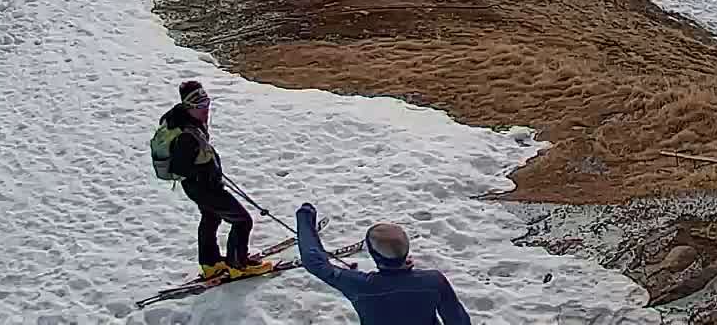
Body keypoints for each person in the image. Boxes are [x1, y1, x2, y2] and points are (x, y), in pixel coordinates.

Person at [155, 80, 269, 281]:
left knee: (211, 218)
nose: (205, 110)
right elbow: (181, 167)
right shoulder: (186, 136)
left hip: (202, 185)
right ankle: (238, 265)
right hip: (203, 186)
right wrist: (205, 170)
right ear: (189, 107)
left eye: (207, 104)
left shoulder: (183, 120)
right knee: (242, 221)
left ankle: (210, 263)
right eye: (200, 107)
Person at [296, 202, 476, 324]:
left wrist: (305, 219)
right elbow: (458, 321)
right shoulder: (433, 281)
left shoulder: (359, 285)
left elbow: (315, 262)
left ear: (374, 255)